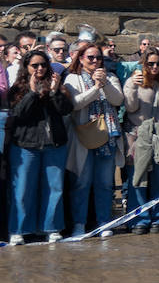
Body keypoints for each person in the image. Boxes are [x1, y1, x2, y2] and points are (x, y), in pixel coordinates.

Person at [8, 50, 74, 243]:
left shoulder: (56, 86)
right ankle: (18, 230)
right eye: (34, 65)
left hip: (54, 144)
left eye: (43, 65)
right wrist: (32, 92)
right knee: (23, 190)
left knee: (54, 189)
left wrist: (54, 91)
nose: (39, 69)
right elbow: (20, 114)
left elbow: (65, 110)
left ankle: (51, 228)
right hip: (26, 145)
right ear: (26, 68)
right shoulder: (18, 88)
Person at [64, 41, 125, 237]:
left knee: (105, 184)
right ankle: (79, 224)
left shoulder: (111, 77)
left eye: (98, 57)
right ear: (81, 59)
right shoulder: (72, 79)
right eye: (90, 57)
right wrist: (96, 88)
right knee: (82, 183)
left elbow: (117, 101)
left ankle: (104, 223)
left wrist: (104, 83)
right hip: (83, 137)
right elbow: (75, 103)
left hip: (107, 137)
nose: (95, 61)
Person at [122, 50, 159, 234]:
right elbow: (130, 107)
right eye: (151, 63)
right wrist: (131, 86)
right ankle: (139, 219)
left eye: (158, 64)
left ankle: (158, 218)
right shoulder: (134, 81)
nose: (155, 67)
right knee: (137, 180)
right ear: (143, 64)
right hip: (138, 136)